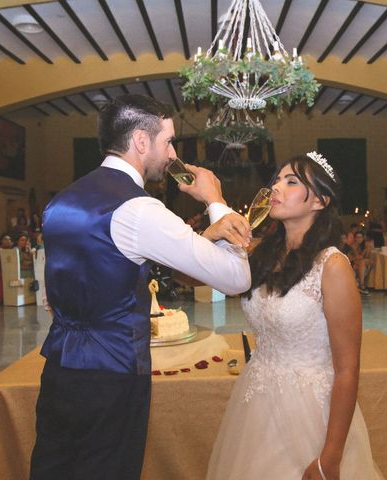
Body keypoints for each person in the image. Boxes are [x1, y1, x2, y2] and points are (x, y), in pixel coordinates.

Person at [29, 94, 251, 480]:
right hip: (112, 376)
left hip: (60, 369)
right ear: (141, 142)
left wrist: (201, 237)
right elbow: (237, 278)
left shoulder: (61, 201)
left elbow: (92, 270)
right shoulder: (139, 209)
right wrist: (215, 199)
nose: (172, 154)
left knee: (53, 467)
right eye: (168, 141)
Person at [207, 153, 382, 480]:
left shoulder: (332, 266)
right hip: (256, 403)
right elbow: (189, 273)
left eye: (291, 182)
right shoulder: (260, 253)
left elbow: (347, 369)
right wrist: (212, 233)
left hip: (310, 413)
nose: (276, 187)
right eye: (276, 180)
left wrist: (329, 458)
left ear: (319, 200)